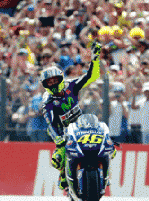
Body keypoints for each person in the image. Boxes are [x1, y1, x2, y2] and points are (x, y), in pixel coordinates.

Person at [41, 42, 103, 190]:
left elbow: (92, 75)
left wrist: (95, 59)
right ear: (45, 85)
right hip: (62, 130)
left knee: (103, 140)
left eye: (55, 80)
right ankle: (63, 174)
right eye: (49, 82)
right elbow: (50, 124)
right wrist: (59, 140)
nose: (53, 84)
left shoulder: (72, 85)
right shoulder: (47, 100)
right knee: (57, 159)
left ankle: (102, 166)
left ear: (61, 78)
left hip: (81, 124)